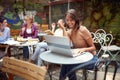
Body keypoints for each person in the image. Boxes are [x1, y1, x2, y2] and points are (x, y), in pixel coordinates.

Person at [58, 9, 98, 80]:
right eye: (67, 20)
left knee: (70, 66)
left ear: (76, 19)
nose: (69, 22)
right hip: (80, 58)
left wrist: (83, 49)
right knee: (65, 63)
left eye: (71, 20)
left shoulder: (83, 30)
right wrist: (63, 29)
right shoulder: (70, 32)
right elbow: (66, 45)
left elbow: (93, 47)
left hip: (91, 59)